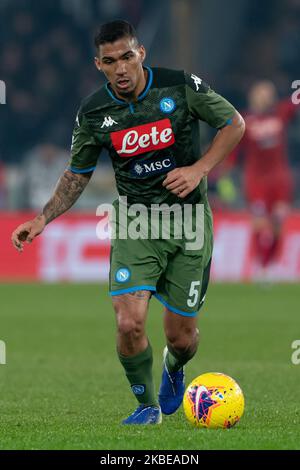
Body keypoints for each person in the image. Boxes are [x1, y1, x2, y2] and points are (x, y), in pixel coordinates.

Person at [11, 20, 245, 424]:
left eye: (126, 57)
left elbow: (234, 124)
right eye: (109, 61)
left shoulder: (178, 86)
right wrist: (43, 217)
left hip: (188, 223)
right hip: (136, 225)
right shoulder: (94, 112)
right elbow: (77, 173)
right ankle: (146, 406)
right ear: (97, 64)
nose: (120, 68)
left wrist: (200, 169)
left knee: (182, 337)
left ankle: (175, 366)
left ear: (141, 54)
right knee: (128, 323)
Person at [229, 80, 298, 278]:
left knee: (277, 222)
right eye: (261, 93)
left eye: (268, 93)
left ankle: (272, 265)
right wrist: (228, 166)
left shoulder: (281, 112)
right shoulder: (245, 119)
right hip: (256, 178)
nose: (265, 97)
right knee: (259, 222)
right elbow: (234, 145)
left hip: (279, 177)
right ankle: (260, 265)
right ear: (254, 96)